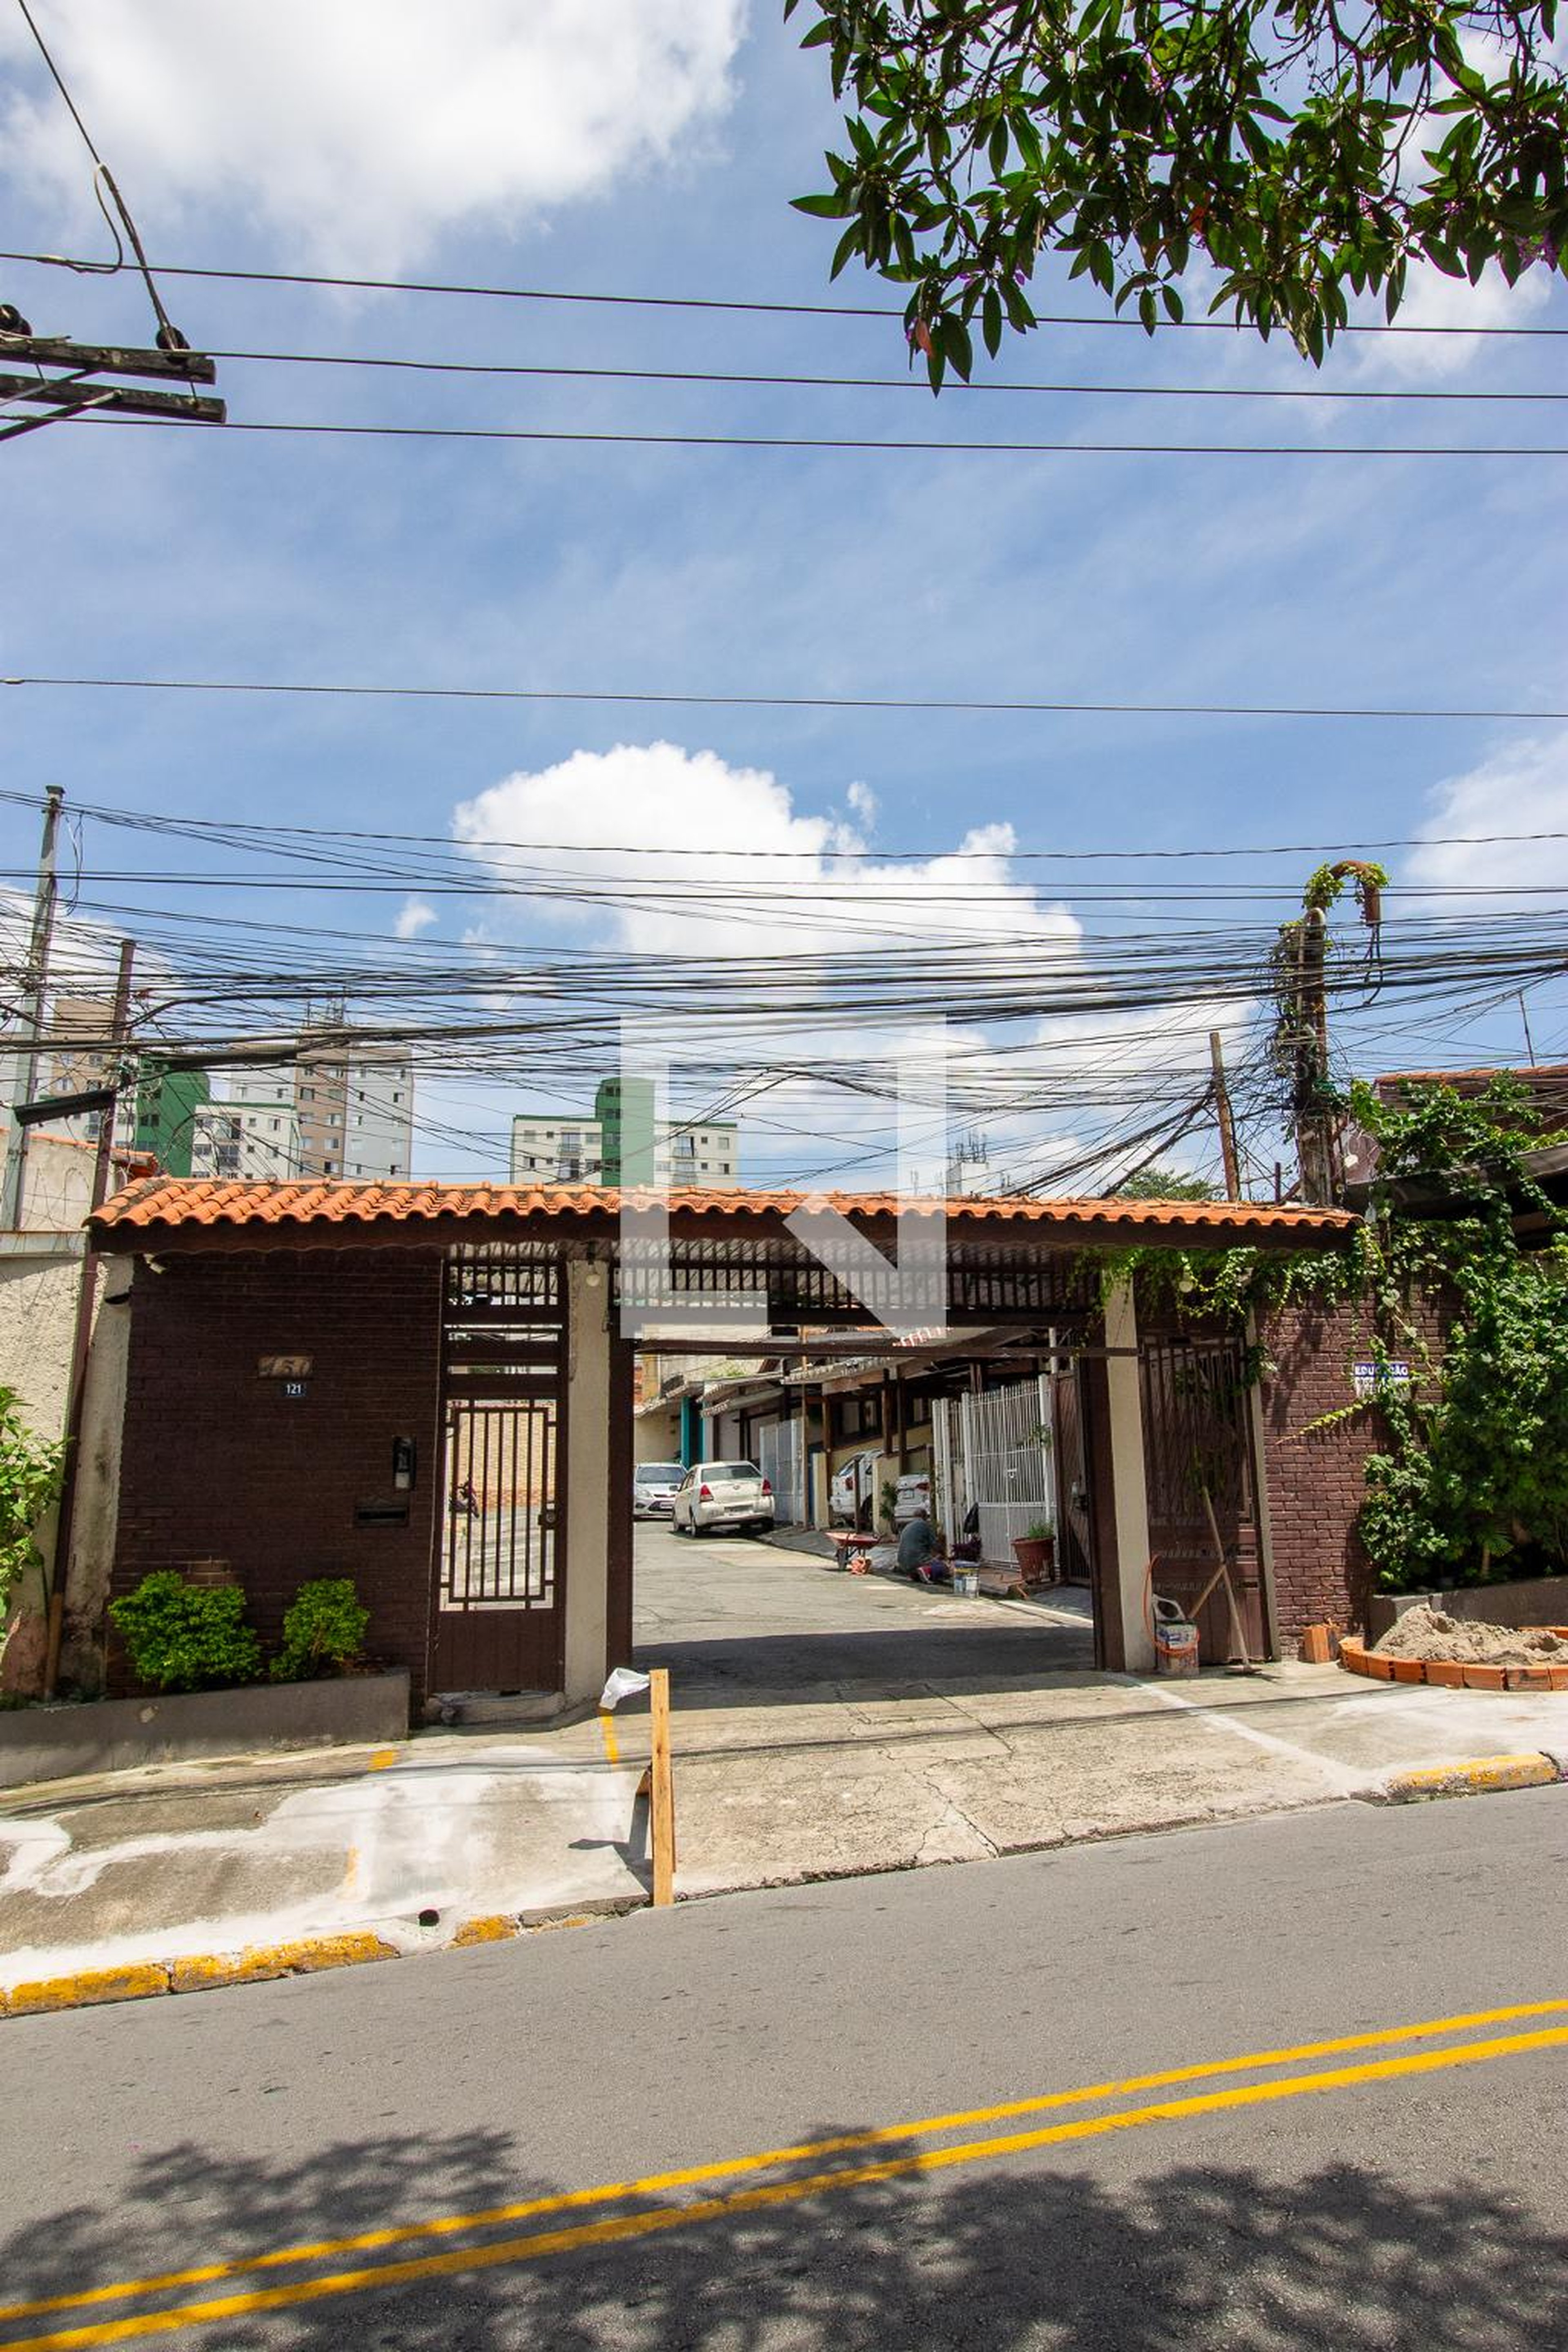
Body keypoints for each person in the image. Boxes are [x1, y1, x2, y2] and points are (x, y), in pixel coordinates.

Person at [896, 1510, 943, 1583]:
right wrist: (943, 1553)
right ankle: (925, 1570)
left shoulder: (907, 1526)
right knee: (944, 1567)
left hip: (902, 1563)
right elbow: (935, 1545)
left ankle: (917, 1574)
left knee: (921, 1565)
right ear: (925, 1517)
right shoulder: (925, 1525)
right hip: (917, 1561)